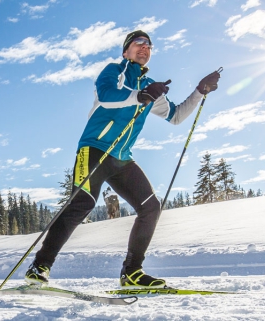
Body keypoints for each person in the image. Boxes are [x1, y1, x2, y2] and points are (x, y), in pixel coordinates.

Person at [25, 30, 220, 288]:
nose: (144, 47)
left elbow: (176, 116)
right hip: (94, 148)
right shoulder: (113, 72)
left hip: (121, 158)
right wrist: (140, 95)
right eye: (138, 43)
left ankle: (132, 272)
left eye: (148, 45)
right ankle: (39, 266)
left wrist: (199, 91)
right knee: (81, 203)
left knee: (151, 207)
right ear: (126, 50)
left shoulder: (151, 88)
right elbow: (106, 97)